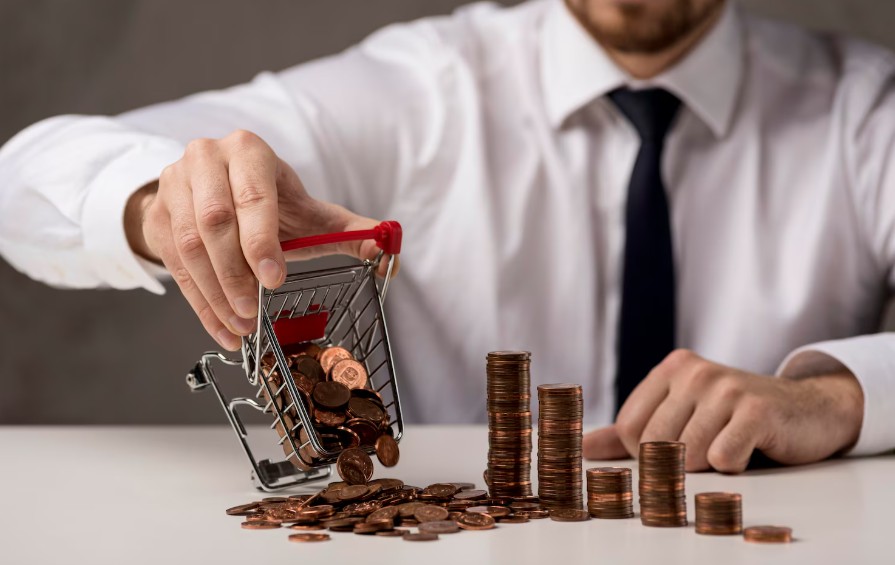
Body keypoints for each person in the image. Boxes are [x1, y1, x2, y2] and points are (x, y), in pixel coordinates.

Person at [1, 0, 893, 473]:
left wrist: (843, 398)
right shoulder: (424, 89)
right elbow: (23, 179)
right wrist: (158, 202)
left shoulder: (864, 113)